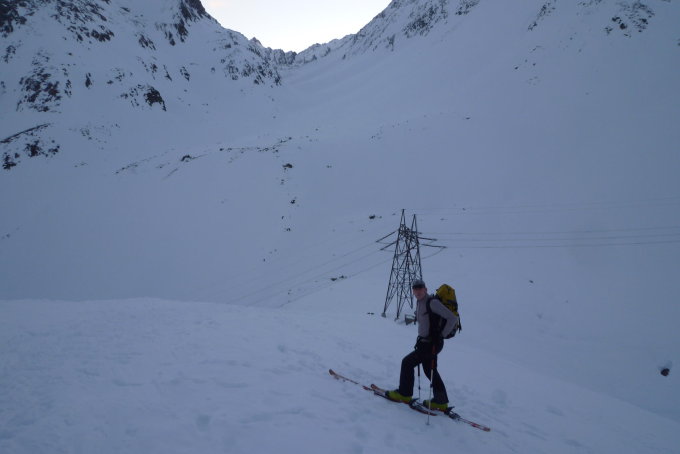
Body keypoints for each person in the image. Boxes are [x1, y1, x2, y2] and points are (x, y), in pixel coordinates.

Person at [386, 279, 459, 411]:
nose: (418, 291)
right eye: (415, 289)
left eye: (420, 288)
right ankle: (441, 401)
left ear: (425, 289)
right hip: (426, 343)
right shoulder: (420, 302)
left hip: (432, 344)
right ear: (413, 291)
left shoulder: (432, 302)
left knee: (407, 363)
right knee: (429, 370)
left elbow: (453, 318)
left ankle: (404, 394)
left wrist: (441, 335)